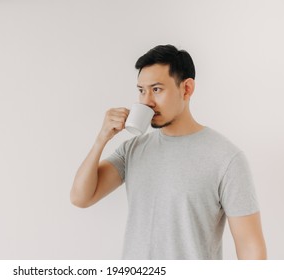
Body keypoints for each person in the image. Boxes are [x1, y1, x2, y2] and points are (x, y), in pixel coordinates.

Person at [70, 44, 267, 260]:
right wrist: (102, 138)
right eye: (141, 91)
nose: (146, 102)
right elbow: (81, 198)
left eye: (156, 89)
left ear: (187, 89)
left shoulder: (227, 159)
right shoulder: (133, 150)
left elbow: (250, 247)